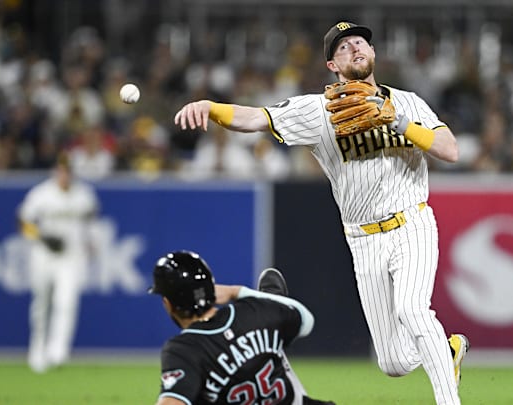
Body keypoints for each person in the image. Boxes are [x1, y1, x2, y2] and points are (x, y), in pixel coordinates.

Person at [173, 21, 469, 404]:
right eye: (344, 47)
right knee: (393, 362)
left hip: (411, 222)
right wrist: (210, 107)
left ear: (373, 53)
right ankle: (444, 353)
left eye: (361, 42)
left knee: (414, 311)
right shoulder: (319, 111)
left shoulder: (407, 102)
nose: (355, 48)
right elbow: (256, 118)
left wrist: (398, 120)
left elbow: (450, 150)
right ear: (332, 65)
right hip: (363, 239)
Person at [147, 250, 335, 405]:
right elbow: (306, 320)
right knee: (273, 347)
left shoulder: (184, 349)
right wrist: (236, 292)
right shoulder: (250, 311)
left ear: (168, 303)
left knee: (197, 392)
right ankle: (275, 318)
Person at [18, 153, 100, 373]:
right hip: (44, 254)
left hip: (71, 256)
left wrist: (92, 244)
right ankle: (37, 350)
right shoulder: (42, 194)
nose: (64, 175)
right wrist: (42, 237)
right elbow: (23, 221)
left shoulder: (84, 195)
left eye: (68, 171)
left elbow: (92, 222)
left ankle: (58, 351)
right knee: (41, 303)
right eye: (61, 170)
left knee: (67, 302)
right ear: (55, 172)